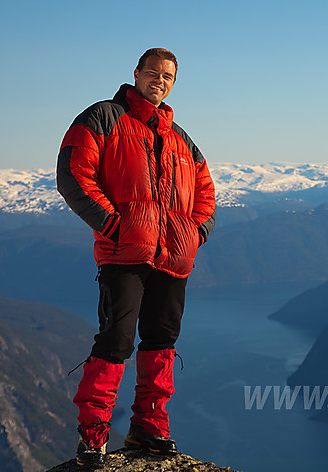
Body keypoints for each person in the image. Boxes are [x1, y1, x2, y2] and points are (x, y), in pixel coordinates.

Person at [56, 47, 216, 468]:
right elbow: (73, 172)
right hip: (124, 254)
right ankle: (93, 437)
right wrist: (113, 225)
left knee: (162, 340)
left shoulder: (182, 139)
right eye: (153, 73)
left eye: (168, 76)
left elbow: (206, 194)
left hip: (173, 257)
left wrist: (194, 233)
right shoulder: (104, 118)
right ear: (137, 73)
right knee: (116, 341)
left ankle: (150, 427)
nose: (159, 81)